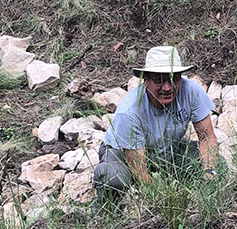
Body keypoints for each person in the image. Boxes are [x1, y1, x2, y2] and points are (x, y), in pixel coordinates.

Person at [93, 46, 218, 210]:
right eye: (159, 80)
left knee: (217, 165)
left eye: (173, 78)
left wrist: (208, 174)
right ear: (145, 80)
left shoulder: (191, 91)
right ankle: (104, 210)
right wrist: (164, 205)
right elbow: (140, 171)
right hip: (123, 151)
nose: (167, 87)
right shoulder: (129, 111)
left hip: (166, 148)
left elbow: (207, 137)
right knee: (113, 178)